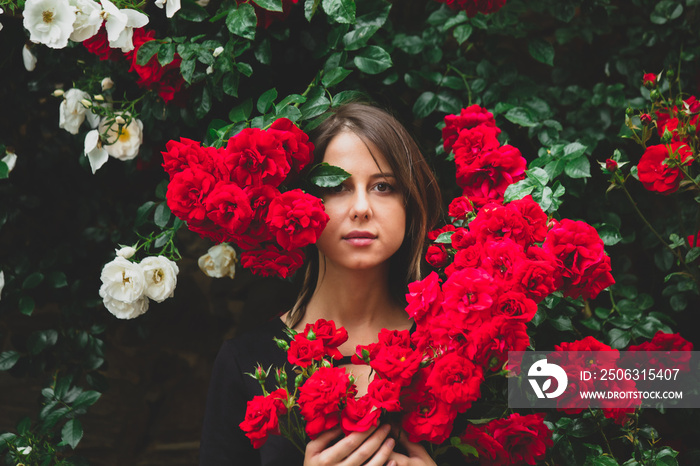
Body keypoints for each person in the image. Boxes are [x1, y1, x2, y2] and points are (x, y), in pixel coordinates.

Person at [199, 103, 442, 466]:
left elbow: (556, 434)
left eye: (382, 186)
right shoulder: (243, 363)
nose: (361, 207)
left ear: (409, 201)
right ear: (304, 201)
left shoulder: (468, 344)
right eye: (339, 187)